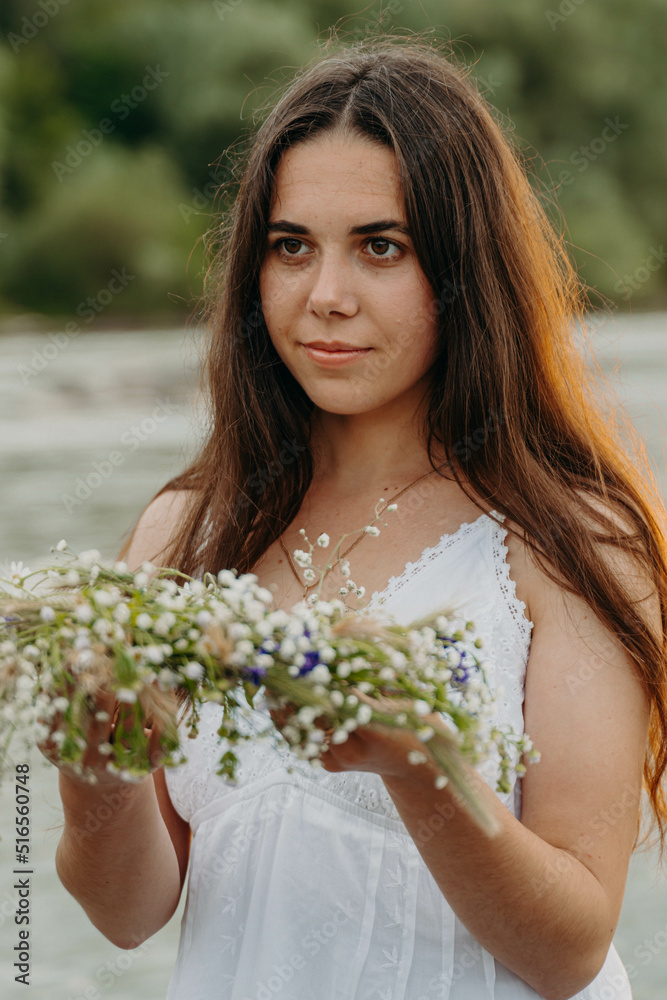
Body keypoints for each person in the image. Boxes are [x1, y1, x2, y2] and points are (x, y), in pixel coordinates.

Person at [50, 36, 667, 1000]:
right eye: (290, 246)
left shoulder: (573, 543)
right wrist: (97, 770)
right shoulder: (185, 532)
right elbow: (127, 916)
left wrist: (425, 771)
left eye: (382, 247)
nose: (324, 297)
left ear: (467, 269)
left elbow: (569, 950)